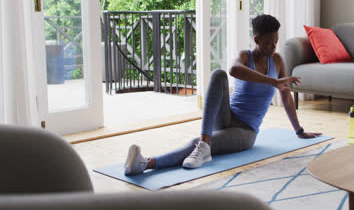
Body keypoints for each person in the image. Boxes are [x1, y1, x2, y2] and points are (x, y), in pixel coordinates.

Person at [124, 14, 321, 175]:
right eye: (269, 43)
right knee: (218, 74)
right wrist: (273, 82)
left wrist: (299, 131)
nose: (273, 47)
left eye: (275, 43)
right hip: (227, 116)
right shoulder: (245, 56)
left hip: (246, 131)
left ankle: (146, 164)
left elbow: (286, 97)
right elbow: (233, 70)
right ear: (257, 40)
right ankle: (204, 143)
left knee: (196, 144)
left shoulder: (277, 61)